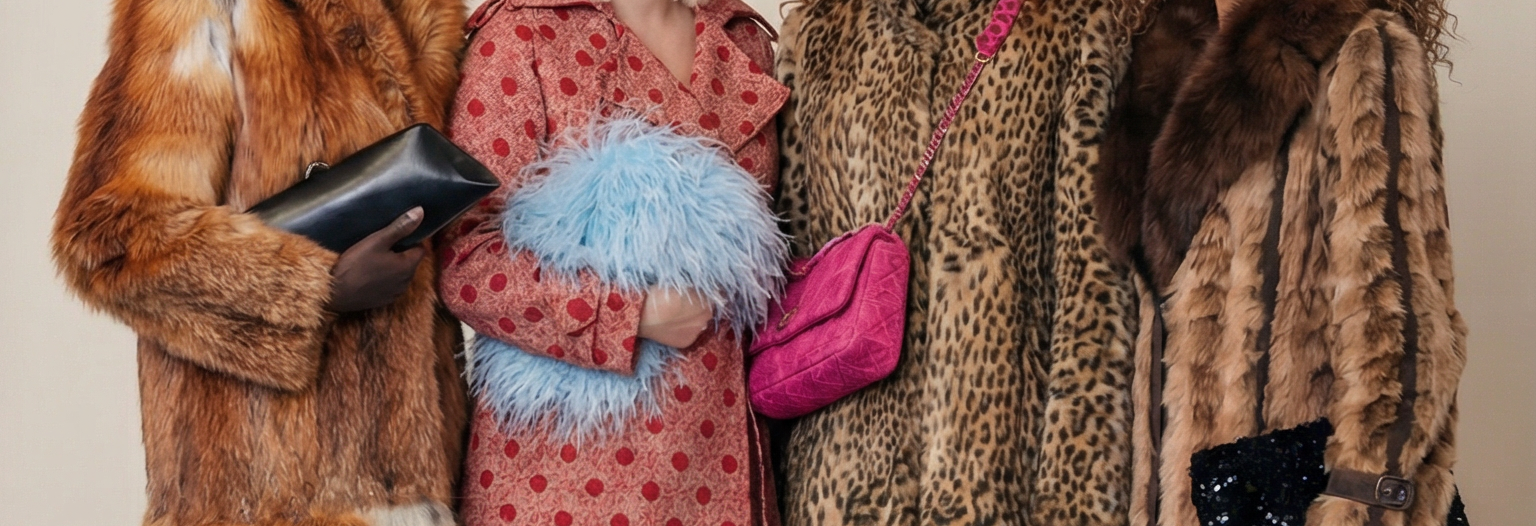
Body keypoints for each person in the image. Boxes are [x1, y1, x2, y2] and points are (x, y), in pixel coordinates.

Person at [50, 1, 470, 525]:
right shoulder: (201, 11)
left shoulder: (423, 14)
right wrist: (314, 288)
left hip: (417, 480)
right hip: (261, 484)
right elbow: (109, 237)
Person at [770, 0, 1145, 523]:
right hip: (839, 481)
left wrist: (1076, 502)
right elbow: (787, 282)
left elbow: (1092, 290)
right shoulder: (817, 36)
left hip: (1000, 474)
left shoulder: (1071, 26)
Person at [1093, 0, 1466, 524]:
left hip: (1292, 500)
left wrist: (1363, 502)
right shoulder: (1156, 62)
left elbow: (1398, 316)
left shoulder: (1361, 48)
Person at [437, 0, 788, 524]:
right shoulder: (523, 34)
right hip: (571, 475)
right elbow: (465, 263)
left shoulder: (743, 36)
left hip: (726, 460)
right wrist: (632, 312)